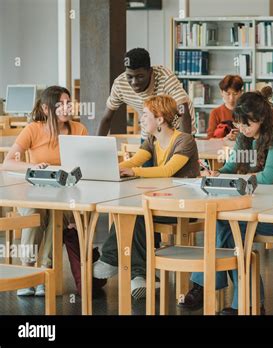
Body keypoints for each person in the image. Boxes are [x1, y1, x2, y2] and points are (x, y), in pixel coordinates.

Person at [180, 86, 273, 315]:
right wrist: (219, 174)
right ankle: (248, 304)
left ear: (261, 119)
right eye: (238, 123)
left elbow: (269, 177)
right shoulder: (244, 135)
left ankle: (203, 286)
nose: (241, 129)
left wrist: (234, 179)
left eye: (246, 124)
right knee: (226, 225)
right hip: (250, 202)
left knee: (226, 226)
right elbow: (232, 165)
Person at [93, 95, 200, 300]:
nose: (141, 119)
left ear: (160, 119)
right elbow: (134, 161)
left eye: (145, 115)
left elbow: (168, 170)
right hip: (161, 203)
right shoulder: (152, 140)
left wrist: (135, 172)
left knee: (139, 212)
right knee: (133, 211)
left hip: (185, 206)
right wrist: (107, 168)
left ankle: (113, 260)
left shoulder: (185, 140)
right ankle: (140, 276)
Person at [2, 86, 106, 296]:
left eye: (69, 102)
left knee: (57, 215)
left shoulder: (79, 129)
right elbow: (8, 162)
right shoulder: (33, 129)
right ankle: (27, 271)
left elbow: (85, 166)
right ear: (47, 109)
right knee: (34, 212)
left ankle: (43, 273)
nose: (68, 107)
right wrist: (32, 167)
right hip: (35, 193)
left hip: (67, 194)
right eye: (62, 104)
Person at [97, 48, 195, 166]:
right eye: (129, 76)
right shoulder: (119, 84)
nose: (134, 82)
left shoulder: (165, 77)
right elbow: (107, 118)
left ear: (150, 71)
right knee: (146, 170)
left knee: (175, 172)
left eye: (140, 76)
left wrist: (183, 147)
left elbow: (183, 112)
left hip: (177, 129)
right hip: (150, 131)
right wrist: (97, 148)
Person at [206, 75, 243, 140]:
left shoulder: (247, 112)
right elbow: (210, 139)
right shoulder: (215, 113)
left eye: (235, 94)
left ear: (241, 92)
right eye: (228, 94)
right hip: (221, 148)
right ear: (221, 92)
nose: (231, 98)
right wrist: (225, 139)